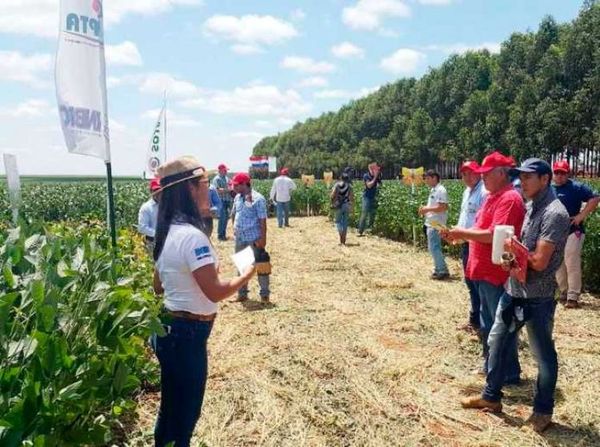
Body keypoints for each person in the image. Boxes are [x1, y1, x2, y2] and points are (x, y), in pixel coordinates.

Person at [151, 156, 256, 447]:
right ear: (188, 189)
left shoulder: (166, 232)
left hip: (168, 329)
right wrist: (246, 275)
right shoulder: (193, 237)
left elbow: (157, 287)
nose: (208, 191)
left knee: (170, 408)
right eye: (204, 184)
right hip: (188, 336)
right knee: (186, 415)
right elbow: (215, 292)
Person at [461, 158, 570, 434]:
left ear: (545, 179)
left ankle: (543, 411)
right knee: (497, 339)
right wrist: (508, 256)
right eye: (520, 177)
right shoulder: (532, 205)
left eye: (529, 177)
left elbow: (540, 261)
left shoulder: (555, 213)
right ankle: (491, 395)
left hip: (538, 296)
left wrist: (512, 250)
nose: (522, 182)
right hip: (514, 290)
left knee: (543, 355)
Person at [444, 151, 525, 383]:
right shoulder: (492, 196)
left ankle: (507, 373)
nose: (483, 178)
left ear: (501, 173)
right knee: (488, 323)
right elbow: (479, 229)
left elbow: (493, 236)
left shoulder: (509, 199)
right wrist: (458, 236)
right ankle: (492, 366)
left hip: (495, 273)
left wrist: (462, 233)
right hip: (481, 270)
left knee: (498, 326)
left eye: (486, 174)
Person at [552, 160, 600, 308]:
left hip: (573, 230)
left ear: (568, 173)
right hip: (554, 232)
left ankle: (573, 296)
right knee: (558, 263)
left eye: (563, 173)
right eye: (557, 172)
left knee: (571, 261)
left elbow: (595, 197)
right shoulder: (548, 188)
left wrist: (581, 216)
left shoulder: (576, 187)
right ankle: (563, 292)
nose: (559, 175)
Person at [231, 172, 271, 302]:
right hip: (240, 238)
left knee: (261, 266)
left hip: (254, 238)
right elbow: (234, 214)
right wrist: (234, 228)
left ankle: (264, 294)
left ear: (245, 184)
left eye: (237, 185)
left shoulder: (258, 199)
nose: (234, 188)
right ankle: (242, 294)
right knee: (242, 266)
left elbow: (262, 220)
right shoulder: (237, 198)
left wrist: (263, 239)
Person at [457, 161, 487, 331]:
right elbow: (464, 218)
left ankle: (482, 322)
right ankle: (475, 320)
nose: (467, 177)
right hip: (466, 242)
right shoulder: (467, 192)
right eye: (464, 174)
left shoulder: (484, 192)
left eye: (471, 173)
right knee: (470, 282)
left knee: (478, 284)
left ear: (479, 173)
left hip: (477, 244)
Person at [419, 170, 450, 280]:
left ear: (434, 178)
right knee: (433, 247)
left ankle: (442, 270)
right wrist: (426, 210)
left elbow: (443, 207)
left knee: (434, 247)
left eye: (427, 178)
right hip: (432, 222)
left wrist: (426, 209)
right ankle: (440, 268)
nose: (426, 181)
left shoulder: (441, 190)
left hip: (437, 223)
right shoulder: (434, 189)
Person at [138, 177, 162, 254]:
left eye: (160, 190)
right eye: (156, 190)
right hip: (153, 243)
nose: (158, 192)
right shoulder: (146, 207)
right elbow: (142, 228)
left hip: (167, 242)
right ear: (151, 191)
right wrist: (158, 234)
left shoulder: (167, 205)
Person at [358, 162, 382, 236]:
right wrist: (375, 177)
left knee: (372, 214)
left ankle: (369, 229)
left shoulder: (377, 176)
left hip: (374, 197)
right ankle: (360, 231)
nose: (377, 170)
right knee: (364, 214)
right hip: (367, 197)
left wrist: (378, 179)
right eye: (376, 169)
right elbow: (369, 185)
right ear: (372, 169)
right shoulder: (366, 176)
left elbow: (380, 185)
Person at [331, 171, 354, 245]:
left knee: (337, 221)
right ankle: (344, 237)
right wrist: (352, 207)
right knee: (345, 222)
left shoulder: (337, 185)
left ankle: (341, 233)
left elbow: (332, 195)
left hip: (338, 205)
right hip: (346, 205)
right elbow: (351, 197)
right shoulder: (350, 186)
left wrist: (333, 202)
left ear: (341, 178)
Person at [211, 164, 232, 241]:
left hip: (227, 200)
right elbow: (218, 190)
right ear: (220, 170)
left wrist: (229, 189)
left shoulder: (227, 178)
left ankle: (223, 234)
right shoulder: (216, 179)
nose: (226, 171)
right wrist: (228, 190)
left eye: (226, 170)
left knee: (226, 218)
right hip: (221, 201)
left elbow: (230, 186)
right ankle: (220, 235)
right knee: (222, 218)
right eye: (225, 170)